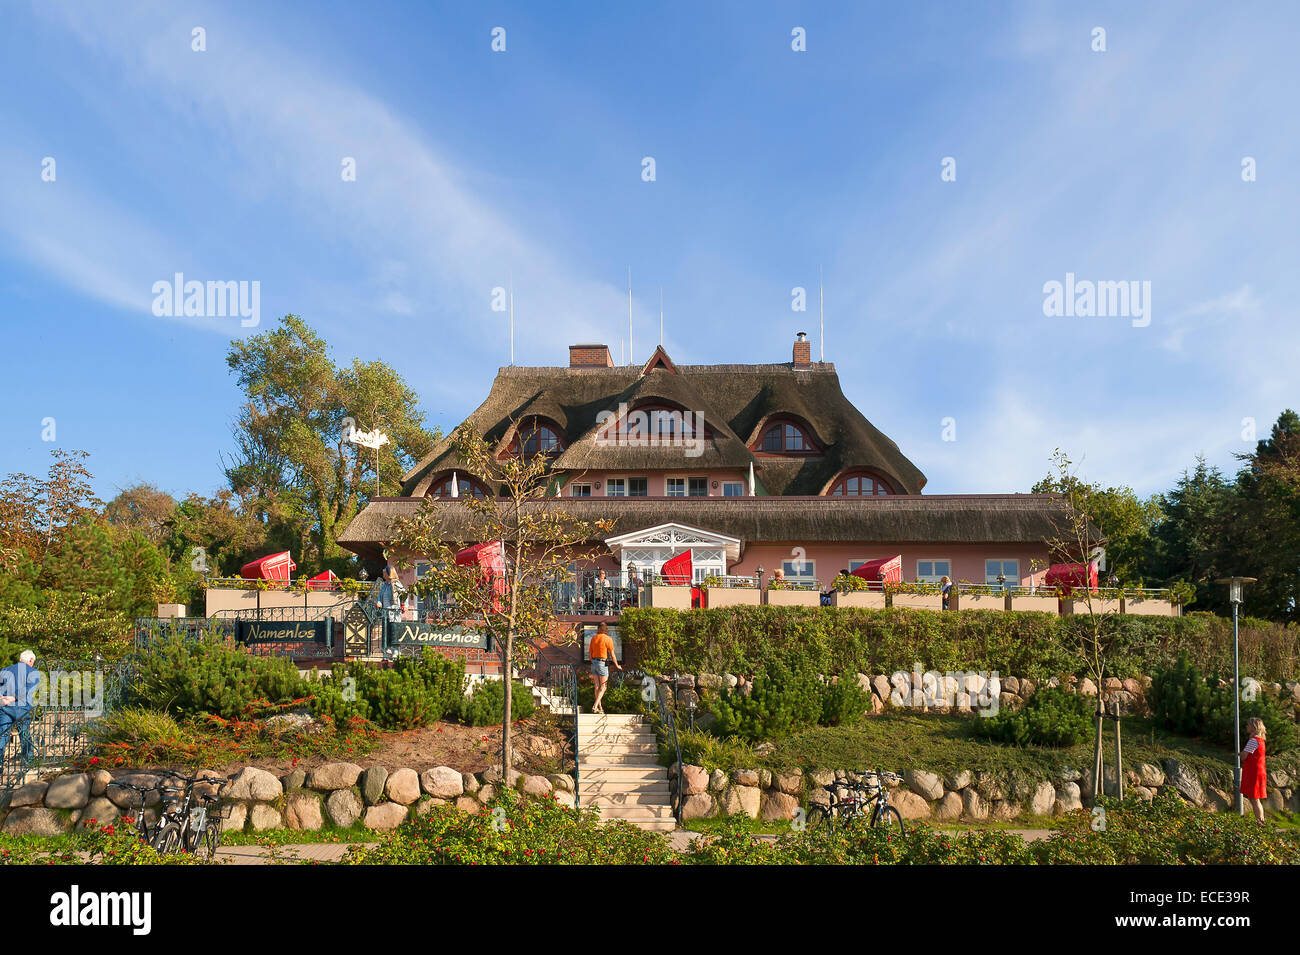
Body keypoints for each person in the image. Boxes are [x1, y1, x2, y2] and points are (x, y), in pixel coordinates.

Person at [0, 650, 41, 765]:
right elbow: (28, 690)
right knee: (24, 734)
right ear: (31, 660)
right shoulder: (33, 672)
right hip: (21, 709)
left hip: (4, 707)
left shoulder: (5, 670)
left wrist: (2, 698)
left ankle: (0, 764)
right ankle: (28, 762)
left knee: (2, 734)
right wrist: (13, 697)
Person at [588, 622, 621, 714]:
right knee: (604, 687)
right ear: (606, 629)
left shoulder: (593, 638)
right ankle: (595, 706)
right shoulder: (608, 639)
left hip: (593, 663)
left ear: (598, 629)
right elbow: (613, 655)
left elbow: (590, 654)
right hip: (602, 663)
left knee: (597, 686)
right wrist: (617, 665)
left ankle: (600, 708)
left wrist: (593, 662)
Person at [1240, 717, 1268, 825]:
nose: (1246, 726)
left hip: (1254, 772)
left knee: (1254, 799)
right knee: (1255, 799)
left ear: (1253, 727)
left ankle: (1260, 822)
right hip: (1259, 771)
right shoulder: (1261, 741)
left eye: (1248, 724)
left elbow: (1244, 756)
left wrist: (1240, 753)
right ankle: (1260, 821)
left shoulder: (1253, 740)